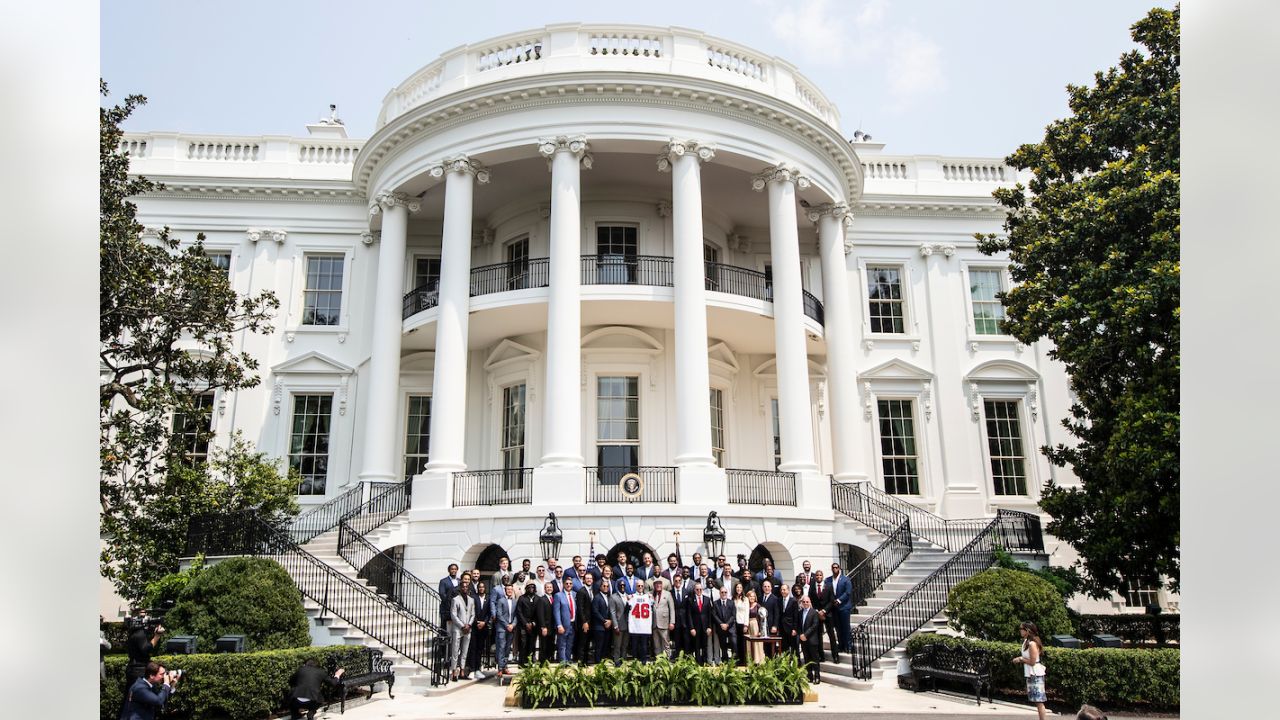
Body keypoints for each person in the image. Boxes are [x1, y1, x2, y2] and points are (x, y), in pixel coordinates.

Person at [1013, 621, 1048, 720]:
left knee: (1039, 701)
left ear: (1027, 631)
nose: (1020, 631)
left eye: (1021, 629)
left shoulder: (1032, 644)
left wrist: (1020, 659)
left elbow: (1032, 662)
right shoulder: (1026, 642)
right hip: (1031, 674)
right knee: (1037, 701)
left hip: (1035, 674)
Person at [449, 579, 475, 681]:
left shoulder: (471, 600)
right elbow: (453, 615)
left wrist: (469, 624)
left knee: (465, 651)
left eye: (466, 587)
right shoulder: (455, 599)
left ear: (468, 588)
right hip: (458, 629)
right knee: (455, 651)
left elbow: (473, 614)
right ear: (460, 588)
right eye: (463, 587)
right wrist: (462, 626)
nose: (465, 588)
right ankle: (454, 672)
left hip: (468, 629)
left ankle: (462, 671)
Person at [810, 569, 837, 662]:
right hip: (817, 615)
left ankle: (835, 656)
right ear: (815, 577)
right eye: (817, 575)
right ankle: (821, 656)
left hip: (827, 614)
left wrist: (824, 611)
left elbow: (831, 600)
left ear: (822, 576)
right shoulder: (812, 588)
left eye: (820, 575)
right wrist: (817, 612)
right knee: (818, 636)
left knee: (831, 635)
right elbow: (811, 601)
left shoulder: (829, 586)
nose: (818, 577)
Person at [685, 579, 713, 664]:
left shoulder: (707, 599)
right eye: (697, 589)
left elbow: (709, 615)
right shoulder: (690, 600)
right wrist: (691, 628)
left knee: (705, 645)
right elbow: (688, 615)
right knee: (696, 645)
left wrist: (709, 627)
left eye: (700, 589)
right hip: (695, 626)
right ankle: (698, 662)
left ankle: (704, 661)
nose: (699, 591)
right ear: (694, 590)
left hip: (705, 626)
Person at [828, 563, 854, 656]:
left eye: (836, 567)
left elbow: (848, 592)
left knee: (845, 627)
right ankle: (841, 645)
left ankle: (849, 646)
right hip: (834, 608)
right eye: (833, 567)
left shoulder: (846, 579)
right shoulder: (828, 580)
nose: (835, 569)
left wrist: (839, 600)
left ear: (839, 568)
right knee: (838, 628)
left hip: (844, 607)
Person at [468, 579, 491, 678]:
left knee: (480, 648)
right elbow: (471, 610)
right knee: (473, 647)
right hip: (474, 626)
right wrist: (477, 621)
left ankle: (478, 669)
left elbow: (489, 612)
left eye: (483, 587)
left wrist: (484, 622)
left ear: (485, 588)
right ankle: (472, 669)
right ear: (478, 589)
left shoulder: (489, 598)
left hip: (484, 627)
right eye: (480, 587)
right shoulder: (473, 597)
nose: (481, 588)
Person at [626, 580, 654, 662]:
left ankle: (643, 664)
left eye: (642, 586)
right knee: (634, 646)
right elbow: (627, 607)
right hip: (635, 626)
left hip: (644, 626)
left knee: (644, 647)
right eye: (638, 586)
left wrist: (651, 598)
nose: (640, 587)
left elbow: (653, 605)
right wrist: (628, 600)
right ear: (636, 587)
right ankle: (635, 663)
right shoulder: (632, 597)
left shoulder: (648, 597)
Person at [493, 583, 518, 676]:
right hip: (502, 628)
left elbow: (516, 615)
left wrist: (513, 625)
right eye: (508, 589)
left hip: (511, 629)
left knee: (507, 649)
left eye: (511, 589)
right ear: (505, 591)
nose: (509, 591)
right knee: (501, 648)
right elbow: (499, 614)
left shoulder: (515, 601)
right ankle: (500, 668)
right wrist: (507, 625)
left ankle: (505, 667)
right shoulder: (500, 600)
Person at [797, 595, 822, 684]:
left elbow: (814, 626)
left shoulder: (814, 612)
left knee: (815, 659)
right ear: (802, 603)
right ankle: (809, 676)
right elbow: (799, 625)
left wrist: (805, 635)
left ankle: (817, 676)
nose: (805, 603)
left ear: (810, 602)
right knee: (807, 659)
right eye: (804, 602)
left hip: (812, 639)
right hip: (803, 640)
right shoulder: (800, 613)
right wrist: (800, 635)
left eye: (807, 602)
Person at [552, 579, 578, 664]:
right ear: (563, 584)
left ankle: (568, 661)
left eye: (570, 583)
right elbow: (556, 611)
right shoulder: (558, 595)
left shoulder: (575, 594)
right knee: (562, 644)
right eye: (567, 583)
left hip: (573, 624)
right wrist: (559, 625)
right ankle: (563, 663)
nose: (568, 585)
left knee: (570, 644)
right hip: (563, 624)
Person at [572, 572, 595, 663]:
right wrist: (584, 622)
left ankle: (586, 662)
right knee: (582, 643)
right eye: (587, 578)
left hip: (591, 622)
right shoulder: (581, 591)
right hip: (584, 623)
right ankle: (581, 664)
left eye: (590, 578)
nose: (589, 580)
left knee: (587, 644)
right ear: (584, 580)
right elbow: (580, 609)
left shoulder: (592, 591)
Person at [516, 582, 540, 667]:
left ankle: (530, 661)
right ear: (526, 588)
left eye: (533, 587)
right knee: (523, 644)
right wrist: (526, 623)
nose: (531, 589)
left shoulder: (538, 599)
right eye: (529, 587)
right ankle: (521, 662)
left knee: (532, 644)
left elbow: (539, 613)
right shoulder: (522, 598)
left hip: (534, 625)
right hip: (523, 625)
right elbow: (519, 612)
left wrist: (533, 623)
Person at [650, 577, 676, 658]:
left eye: (660, 584)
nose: (658, 585)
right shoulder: (650, 594)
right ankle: (658, 660)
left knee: (666, 643)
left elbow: (672, 609)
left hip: (664, 622)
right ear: (654, 585)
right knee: (656, 644)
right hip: (654, 623)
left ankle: (666, 660)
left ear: (662, 585)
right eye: (656, 584)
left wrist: (672, 622)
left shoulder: (667, 594)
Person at [608, 574, 631, 662]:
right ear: (617, 586)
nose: (622, 586)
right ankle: (617, 661)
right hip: (618, 625)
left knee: (625, 645)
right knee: (617, 645)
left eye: (623, 585)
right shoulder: (613, 597)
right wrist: (615, 626)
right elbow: (612, 612)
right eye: (620, 585)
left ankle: (624, 660)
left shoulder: (629, 596)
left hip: (628, 625)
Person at [712, 585, 736, 665]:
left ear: (727, 593)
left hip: (730, 627)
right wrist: (721, 624)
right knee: (723, 646)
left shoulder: (731, 602)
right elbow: (714, 615)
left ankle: (734, 661)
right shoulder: (715, 603)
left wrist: (727, 624)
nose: (724, 593)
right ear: (719, 593)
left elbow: (733, 615)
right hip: (720, 627)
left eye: (725, 592)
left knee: (733, 643)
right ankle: (725, 661)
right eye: (722, 592)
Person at [590, 576, 612, 664]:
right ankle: (597, 663)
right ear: (600, 587)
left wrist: (610, 620)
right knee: (599, 646)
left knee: (605, 646)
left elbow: (611, 611)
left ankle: (603, 662)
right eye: (604, 586)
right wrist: (604, 621)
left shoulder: (609, 597)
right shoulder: (597, 597)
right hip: (599, 626)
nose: (606, 588)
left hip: (608, 626)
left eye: (607, 586)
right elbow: (595, 612)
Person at [759, 579, 781, 657]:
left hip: (771, 626)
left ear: (771, 588)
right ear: (762, 588)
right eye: (765, 586)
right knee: (764, 646)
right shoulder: (760, 598)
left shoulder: (775, 599)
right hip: (762, 626)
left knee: (772, 646)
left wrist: (775, 625)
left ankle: (773, 664)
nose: (766, 588)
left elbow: (776, 614)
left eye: (768, 586)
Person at [536, 581, 556, 663]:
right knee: (544, 646)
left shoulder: (554, 598)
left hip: (552, 627)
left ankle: (549, 661)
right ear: (544, 589)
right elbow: (540, 614)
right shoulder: (542, 599)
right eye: (547, 587)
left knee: (551, 645)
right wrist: (543, 627)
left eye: (550, 587)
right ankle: (542, 663)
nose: (549, 589)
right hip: (545, 627)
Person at [745, 590, 766, 665]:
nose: (752, 598)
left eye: (753, 596)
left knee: (757, 643)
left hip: (755, 624)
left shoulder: (758, 606)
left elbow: (761, 619)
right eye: (750, 596)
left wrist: (761, 630)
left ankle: (758, 660)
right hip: (747, 624)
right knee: (748, 643)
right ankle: (750, 659)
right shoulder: (746, 605)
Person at [779, 582, 800, 655]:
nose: (782, 591)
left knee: (794, 647)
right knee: (784, 647)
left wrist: (794, 628)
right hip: (782, 628)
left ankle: (797, 663)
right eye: (781, 590)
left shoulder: (793, 601)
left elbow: (796, 616)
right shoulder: (779, 600)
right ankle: (786, 663)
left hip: (791, 628)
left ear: (788, 590)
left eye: (784, 590)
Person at [438, 564, 461, 628]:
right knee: (445, 628)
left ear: (457, 570)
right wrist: (451, 603)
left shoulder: (460, 581)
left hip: (458, 609)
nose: (454, 570)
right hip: (446, 608)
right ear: (449, 570)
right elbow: (442, 594)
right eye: (452, 569)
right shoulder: (443, 581)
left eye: (455, 569)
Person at [732, 582, 750, 664]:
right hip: (734, 622)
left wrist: (746, 624)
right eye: (737, 587)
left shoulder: (745, 599)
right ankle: (736, 660)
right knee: (735, 642)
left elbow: (747, 612)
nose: (738, 589)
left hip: (742, 622)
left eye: (740, 587)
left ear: (742, 589)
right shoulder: (733, 598)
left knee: (742, 642)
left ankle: (743, 660)